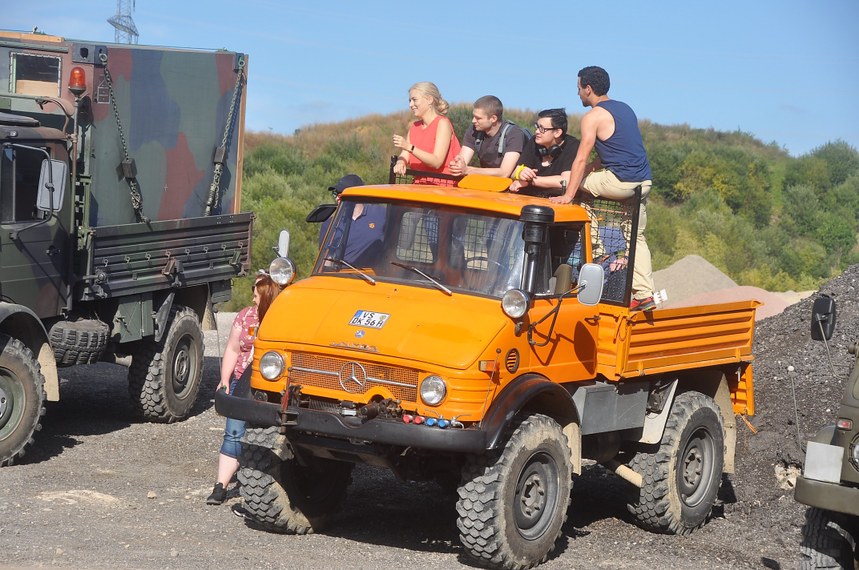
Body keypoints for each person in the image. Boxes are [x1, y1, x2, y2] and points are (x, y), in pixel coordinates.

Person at [548, 66, 656, 311]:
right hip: (643, 183)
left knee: (574, 188)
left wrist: (568, 193)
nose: (577, 94)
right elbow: (607, 157)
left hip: (620, 182)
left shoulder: (593, 117)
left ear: (588, 88)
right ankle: (644, 294)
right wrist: (589, 173)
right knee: (636, 237)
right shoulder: (625, 109)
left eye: (578, 89)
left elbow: (581, 159)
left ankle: (597, 251)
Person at [206, 274, 282, 506]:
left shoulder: (283, 318)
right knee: (234, 431)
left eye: (257, 295)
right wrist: (225, 379)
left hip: (274, 386)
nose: (253, 298)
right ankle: (220, 486)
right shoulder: (245, 316)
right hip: (243, 381)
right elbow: (232, 349)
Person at [392, 82, 461, 184]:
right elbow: (405, 154)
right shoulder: (414, 127)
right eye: (410, 101)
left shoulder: (442, 123)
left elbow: (437, 162)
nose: (410, 105)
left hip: (442, 187)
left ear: (429, 100)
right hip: (419, 186)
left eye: (414, 100)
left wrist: (410, 147)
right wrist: (400, 162)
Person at [449, 95, 526, 178]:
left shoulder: (514, 134)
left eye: (478, 118)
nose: (473, 121)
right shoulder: (474, 130)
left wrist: (468, 170)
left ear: (493, 118)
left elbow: (504, 173)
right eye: (474, 116)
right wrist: (457, 166)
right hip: (487, 183)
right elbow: (462, 161)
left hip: (515, 187)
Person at [508, 108, 579, 198]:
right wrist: (520, 173)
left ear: (557, 132)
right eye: (537, 126)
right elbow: (515, 172)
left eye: (542, 129)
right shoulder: (534, 141)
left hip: (557, 201)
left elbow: (566, 181)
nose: (537, 131)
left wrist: (530, 181)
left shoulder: (572, 146)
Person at [319, 174, 387, 266]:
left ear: (357, 195)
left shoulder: (380, 214)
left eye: (341, 193)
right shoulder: (330, 224)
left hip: (374, 277)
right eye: (335, 193)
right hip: (342, 277)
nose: (336, 197)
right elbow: (327, 259)